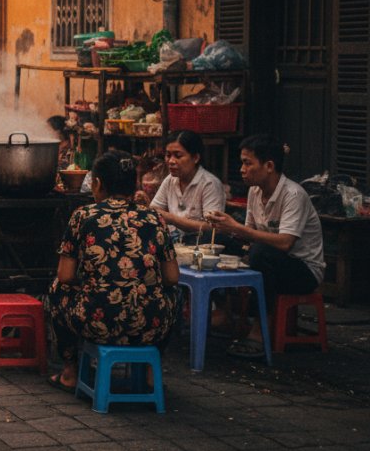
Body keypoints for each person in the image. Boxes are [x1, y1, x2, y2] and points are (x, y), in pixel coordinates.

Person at [45, 151, 180, 393]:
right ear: (134, 185)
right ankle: (150, 374)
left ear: (97, 184)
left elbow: (65, 276)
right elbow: (172, 277)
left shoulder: (83, 216)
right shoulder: (154, 218)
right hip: (151, 324)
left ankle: (69, 373)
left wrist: (94, 281)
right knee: (175, 293)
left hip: (97, 322)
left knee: (57, 289)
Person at [205, 134, 326, 359]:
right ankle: (226, 314)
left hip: (303, 270)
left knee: (262, 253)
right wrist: (227, 228)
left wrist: (239, 229)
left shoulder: (293, 194)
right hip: (269, 259)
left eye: (247, 163)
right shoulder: (255, 191)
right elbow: (249, 235)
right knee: (217, 241)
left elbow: (285, 243)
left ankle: (260, 330)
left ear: (269, 166)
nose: (242, 169)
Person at [149, 130, 225, 242]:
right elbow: (154, 210)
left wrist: (172, 219)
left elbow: (212, 228)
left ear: (195, 158)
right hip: (174, 242)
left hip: (199, 246)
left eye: (178, 156)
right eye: (168, 155)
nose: (171, 161)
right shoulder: (170, 180)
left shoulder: (210, 184)